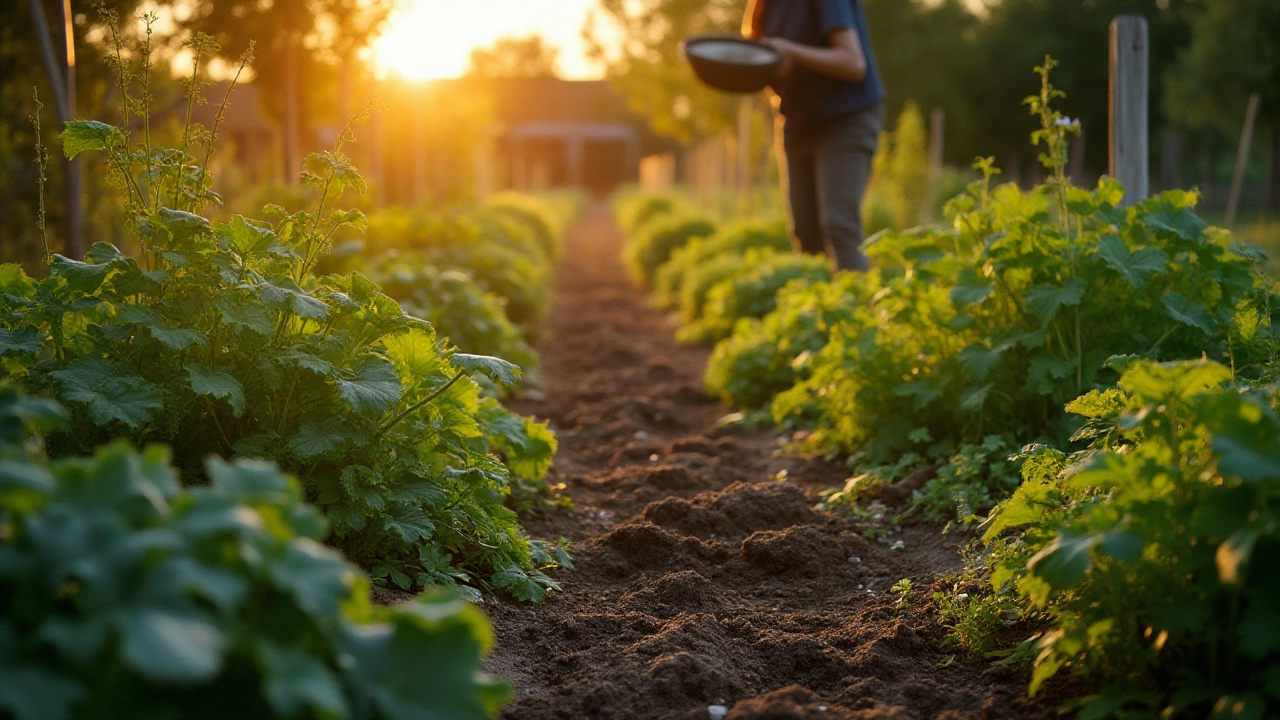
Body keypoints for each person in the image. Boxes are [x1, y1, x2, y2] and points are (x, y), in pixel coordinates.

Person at [743, 0, 885, 271]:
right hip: (796, 122)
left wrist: (790, 51)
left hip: (847, 117)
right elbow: (765, 60)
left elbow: (853, 63)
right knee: (804, 232)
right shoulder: (766, 5)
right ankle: (817, 307)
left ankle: (855, 307)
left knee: (839, 225)